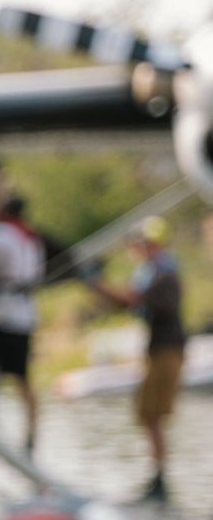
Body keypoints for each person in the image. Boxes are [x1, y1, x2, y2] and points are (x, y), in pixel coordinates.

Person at [91, 215, 187, 501]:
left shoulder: (163, 273)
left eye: (143, 244)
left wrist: (95, 284)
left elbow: (131, 299)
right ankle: (157, 475)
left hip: (167, 349)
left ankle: (160, 478)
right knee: (147, 413)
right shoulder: (153, 271)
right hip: (158, 349)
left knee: (152, 412)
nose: (139, 249)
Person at [0, 194, 47, 454]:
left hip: (2, 311)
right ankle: (31, 432)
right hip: (27, 312)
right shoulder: (32, 237)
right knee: (23, 377)